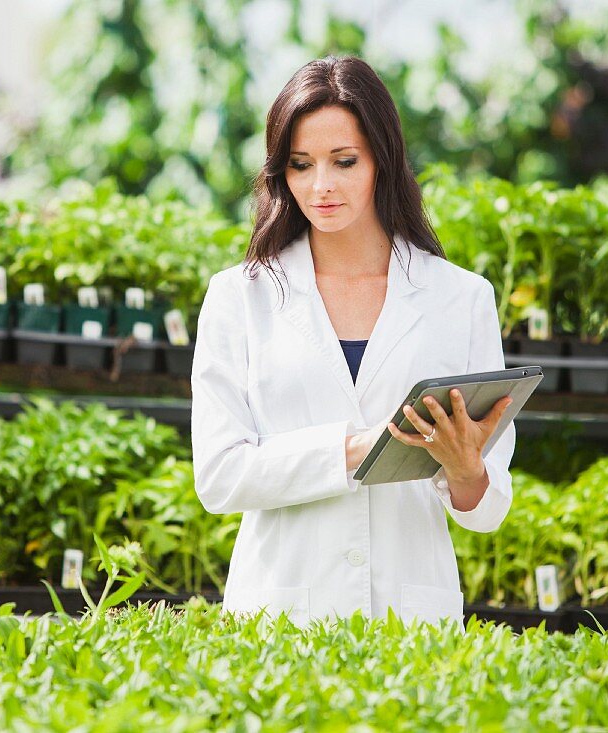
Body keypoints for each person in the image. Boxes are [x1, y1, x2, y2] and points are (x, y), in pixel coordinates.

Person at [191, 56, 515, 627]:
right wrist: (358, 451)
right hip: (280, 615)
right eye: (300, 164)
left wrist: (467, 472)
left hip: (411, 617)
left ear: (382, 162)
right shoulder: (239, 298)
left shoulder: (461, 299)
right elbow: (220, 477)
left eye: (345, 161)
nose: (321, 186)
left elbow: (484, 511)